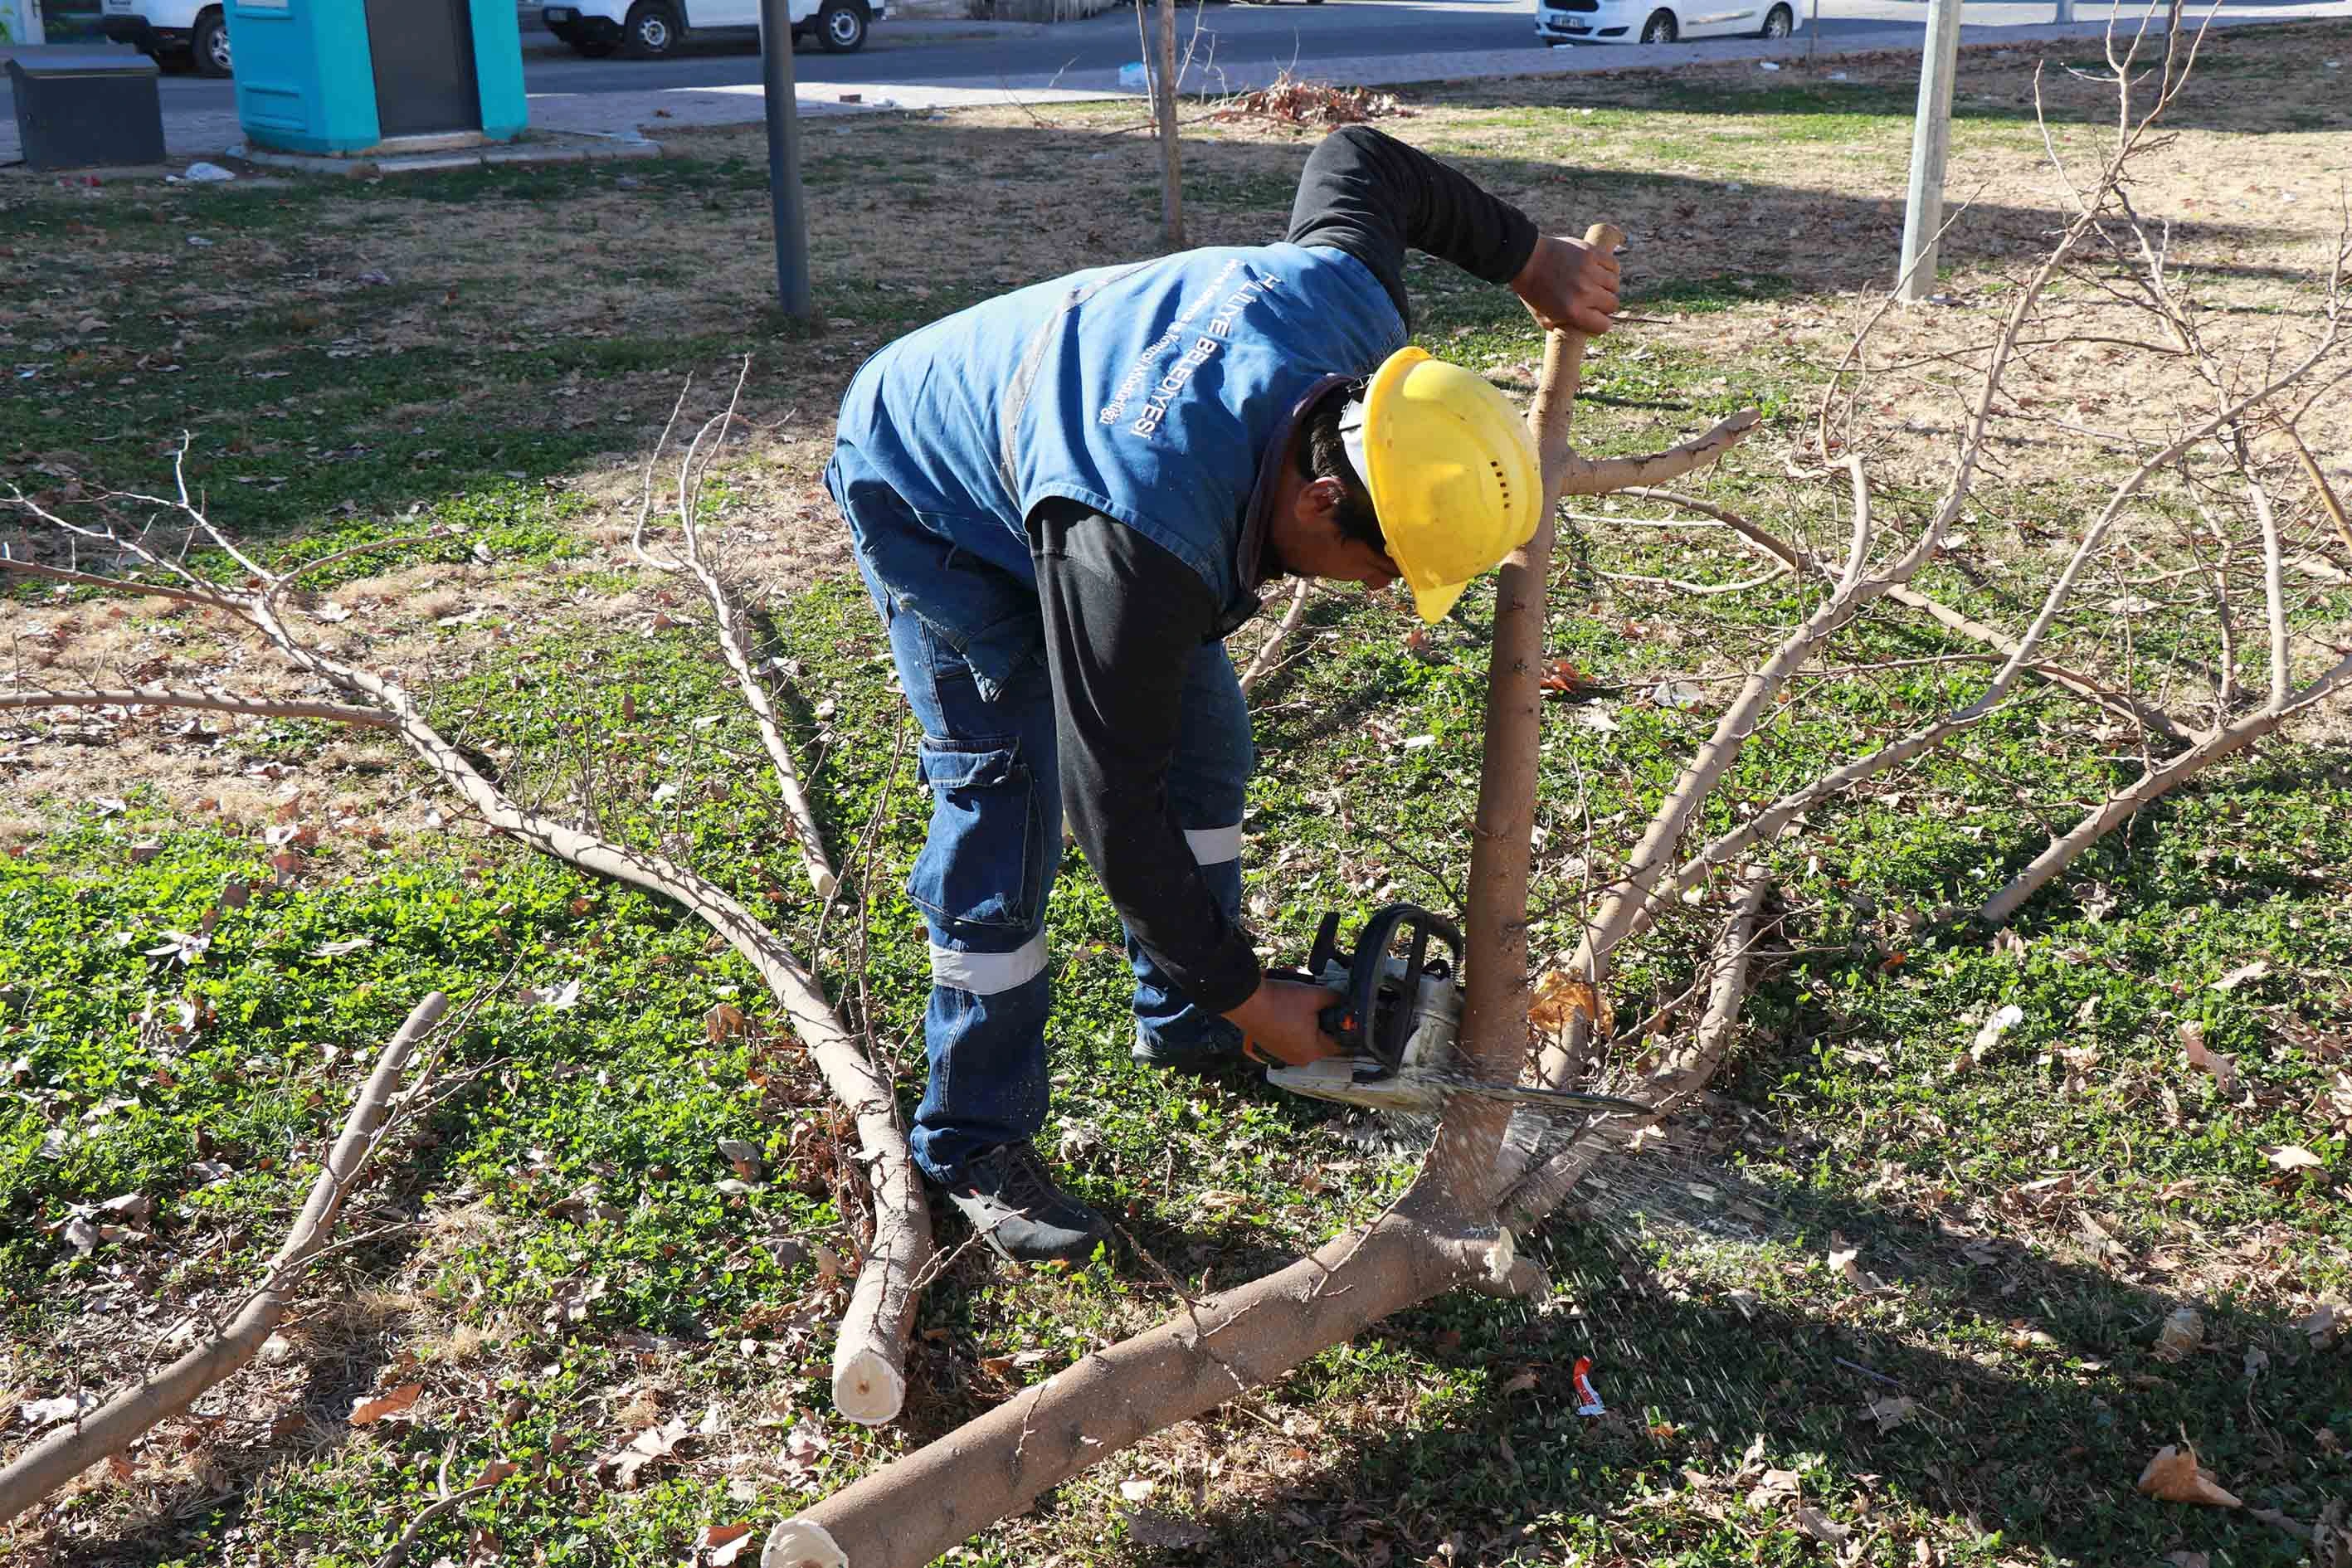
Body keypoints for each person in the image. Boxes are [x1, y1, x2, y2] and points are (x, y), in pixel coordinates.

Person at [827, 125, 1619, 1265]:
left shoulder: (1346, 308)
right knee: (1007, 799)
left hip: (1096, 461)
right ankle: (969, 1137)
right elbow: (1113, 812)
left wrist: (1524, 259)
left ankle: (1186, 1017)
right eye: (1387, 565)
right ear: (1316, 505)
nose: (1390, 593)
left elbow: (1360, 163)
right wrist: (1258, 994)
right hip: (932, 487)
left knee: (1207, 747)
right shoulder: (1143, 550)